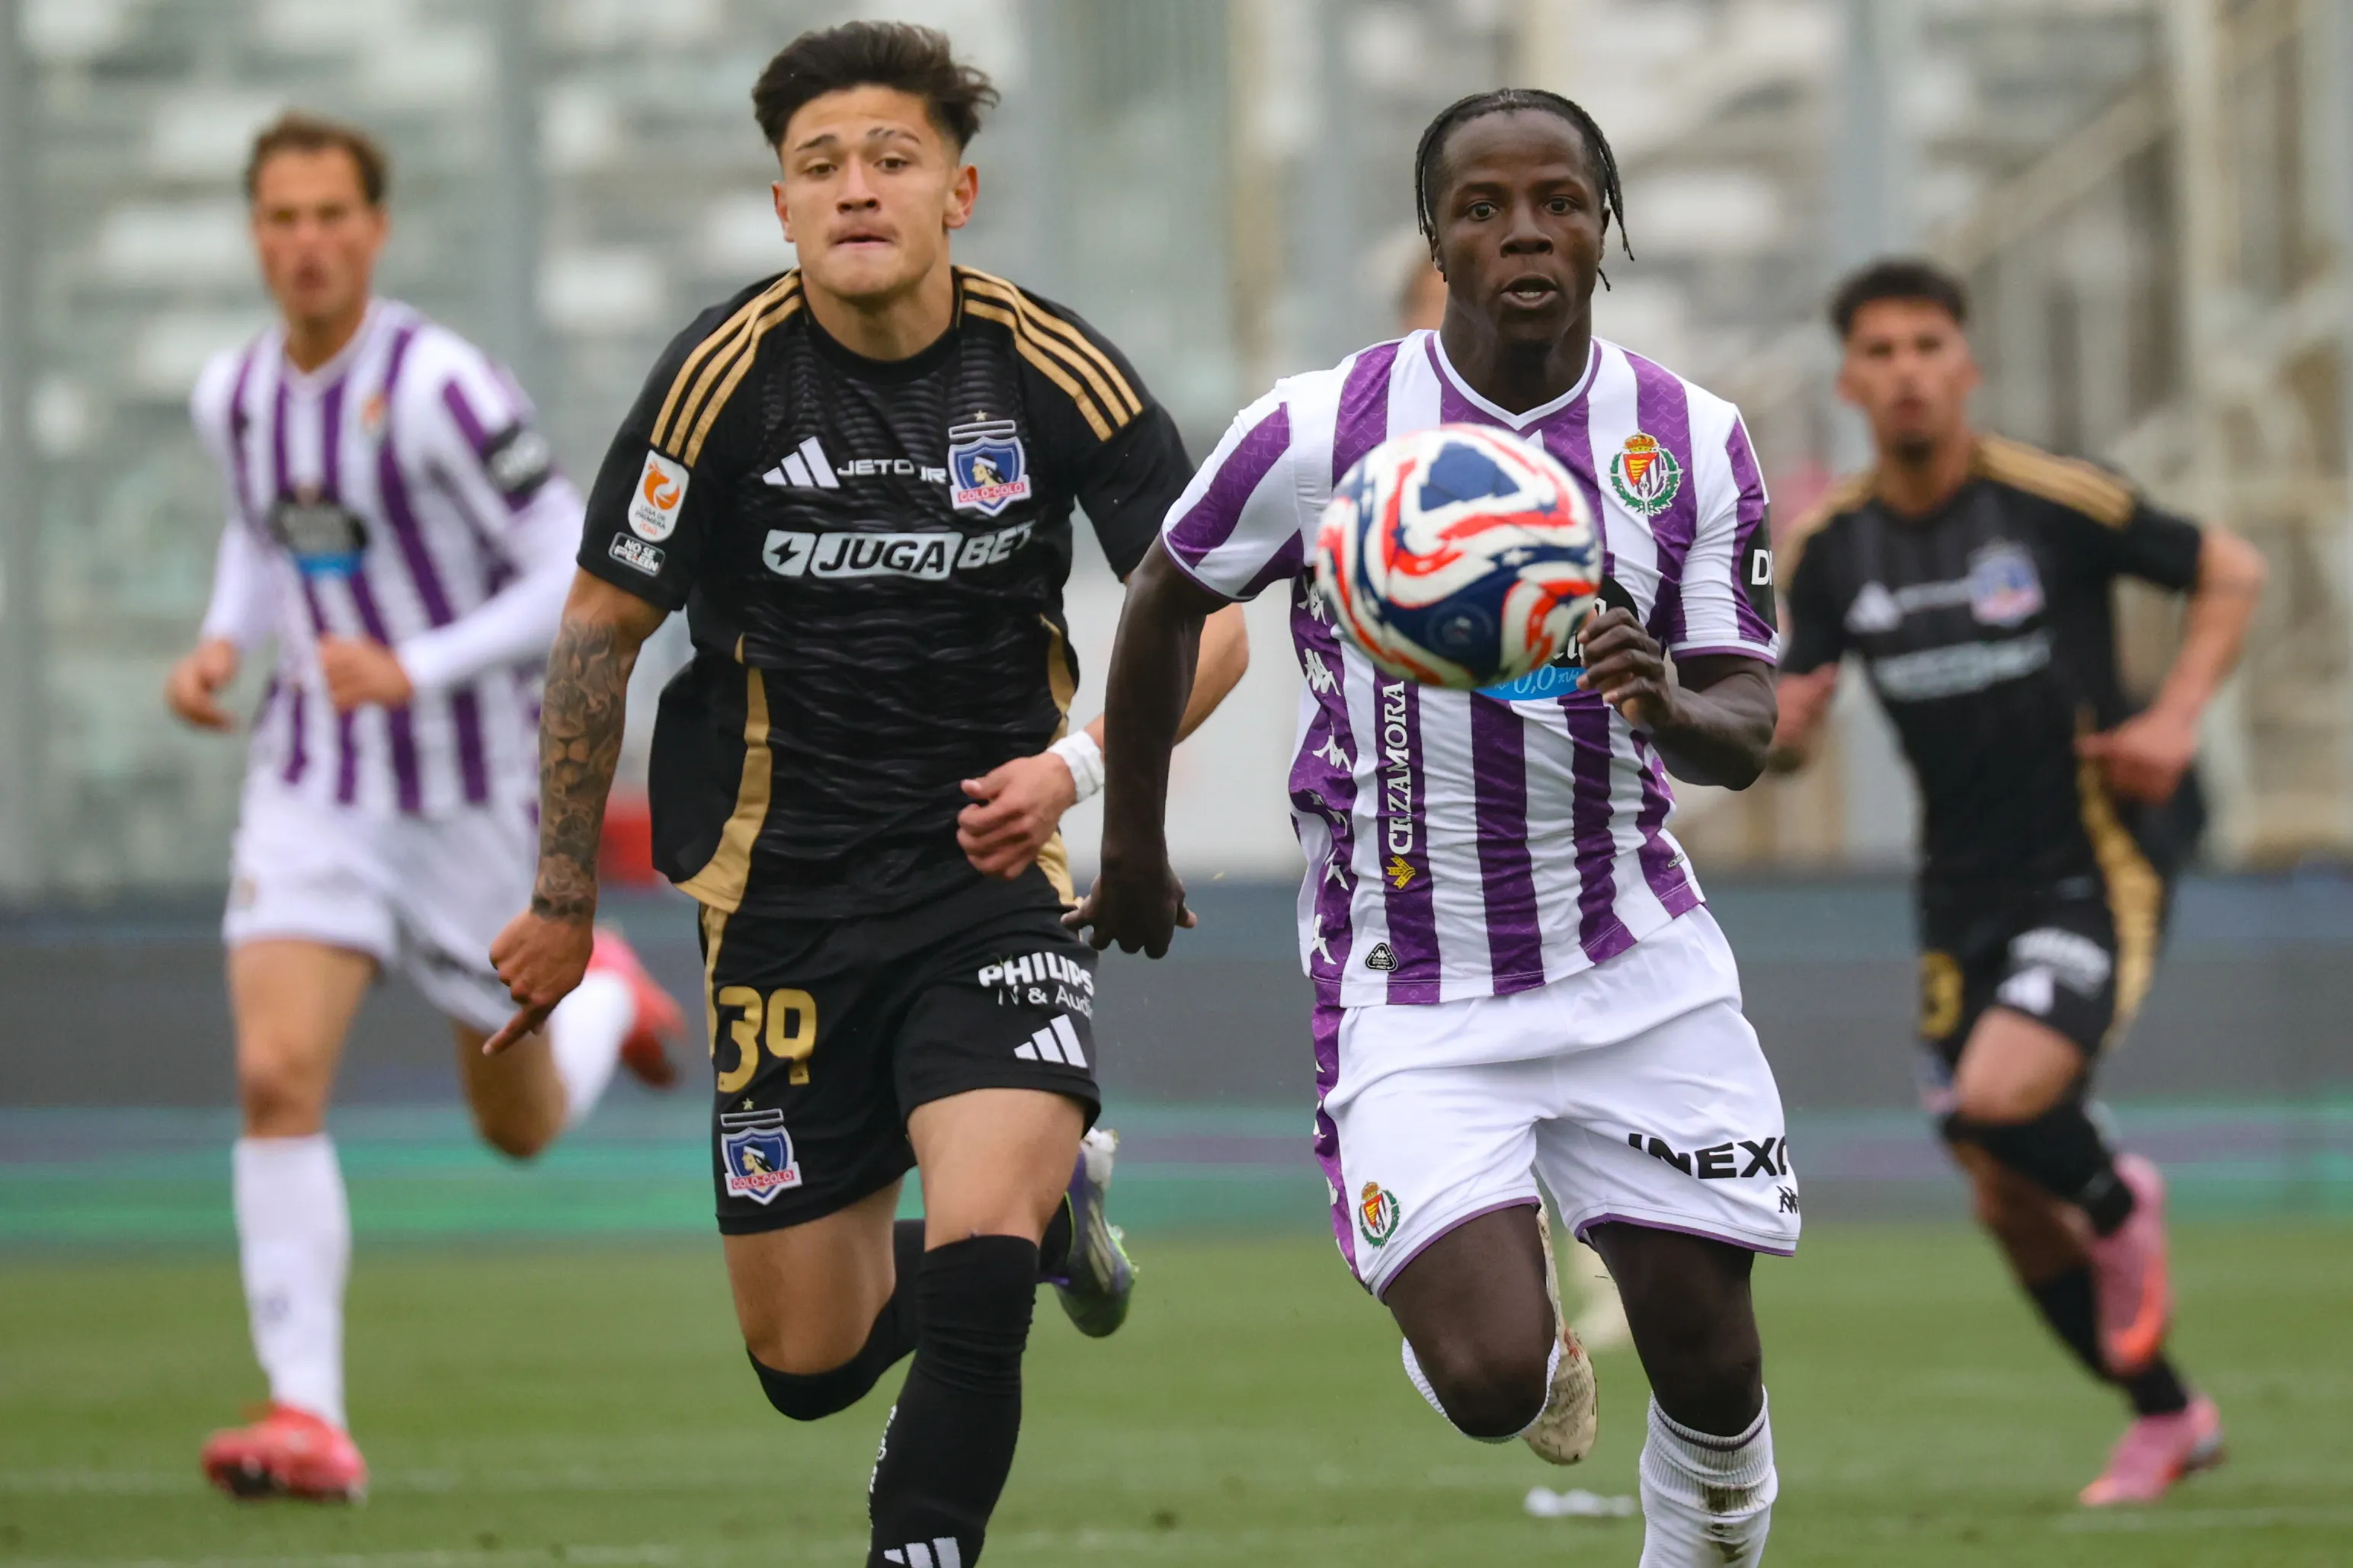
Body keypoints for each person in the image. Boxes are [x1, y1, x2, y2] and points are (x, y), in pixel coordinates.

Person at [483, 25, 1248, 1568]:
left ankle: (928, 1522)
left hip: (988, 888)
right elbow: (595, 638)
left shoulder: (1049, 366)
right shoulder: (720, 379)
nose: (854, 189)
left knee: (973, 1260)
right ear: (780, 203)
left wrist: (1074, 770)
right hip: (780, 908)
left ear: (957, 190)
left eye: (891, 158)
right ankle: (1057, 1223)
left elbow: (1212, 619)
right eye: (818, 165)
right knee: (807, 1361)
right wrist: (562, 901)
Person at [1079, 89, 1795, 1567]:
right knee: (1490, 1381)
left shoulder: (1690, 440)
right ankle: (1510, 1335)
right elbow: (1163, 596)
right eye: (1483, 207)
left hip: (1632, 958)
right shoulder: (1319, 429)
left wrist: (1664, 696)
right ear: (1434, 237)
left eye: (1558, 201)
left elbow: (1745, 723)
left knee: (1709, 1357)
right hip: (1408, 979)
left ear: (1605, 226)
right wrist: (1134, 842)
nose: (1523, 231)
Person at [166, 112, 683, 1503]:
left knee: (514, 1124)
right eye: (282, 217)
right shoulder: (236, 396)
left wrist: (418, 665)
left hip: (468, 799)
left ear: (376, 229)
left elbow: (568, 565)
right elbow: (259, 536)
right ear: (256, 233)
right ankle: (310, 1413)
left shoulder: (445, 387)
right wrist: (222, 643)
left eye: (331, 213)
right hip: (312, 786)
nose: (307, 241)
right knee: (275, 1074)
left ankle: (608, 999)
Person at [1771, 259, 2262, 1506]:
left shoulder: (2053, 501)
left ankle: (2117, 1196)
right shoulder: (1830, 547)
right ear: (1849, 383)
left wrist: (2177, 717)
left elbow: (2231, 568)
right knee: (1998, 1192)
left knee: (2001, 1100)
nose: (1907, 372)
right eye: (1880, 352)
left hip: (2091, 861)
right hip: (1958, 890)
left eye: (1927, 345)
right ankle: (2168, 1414)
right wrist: (1781, 731)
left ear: (1967, 366)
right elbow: (1788, 728)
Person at [1394, 243, 1634, 1357]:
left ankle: (1607, 1250)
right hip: (1417, 880)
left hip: (1574, 849)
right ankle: (1487, 1263)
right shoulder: (1362, 468)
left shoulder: (1597, 457)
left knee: (1590, 1061)